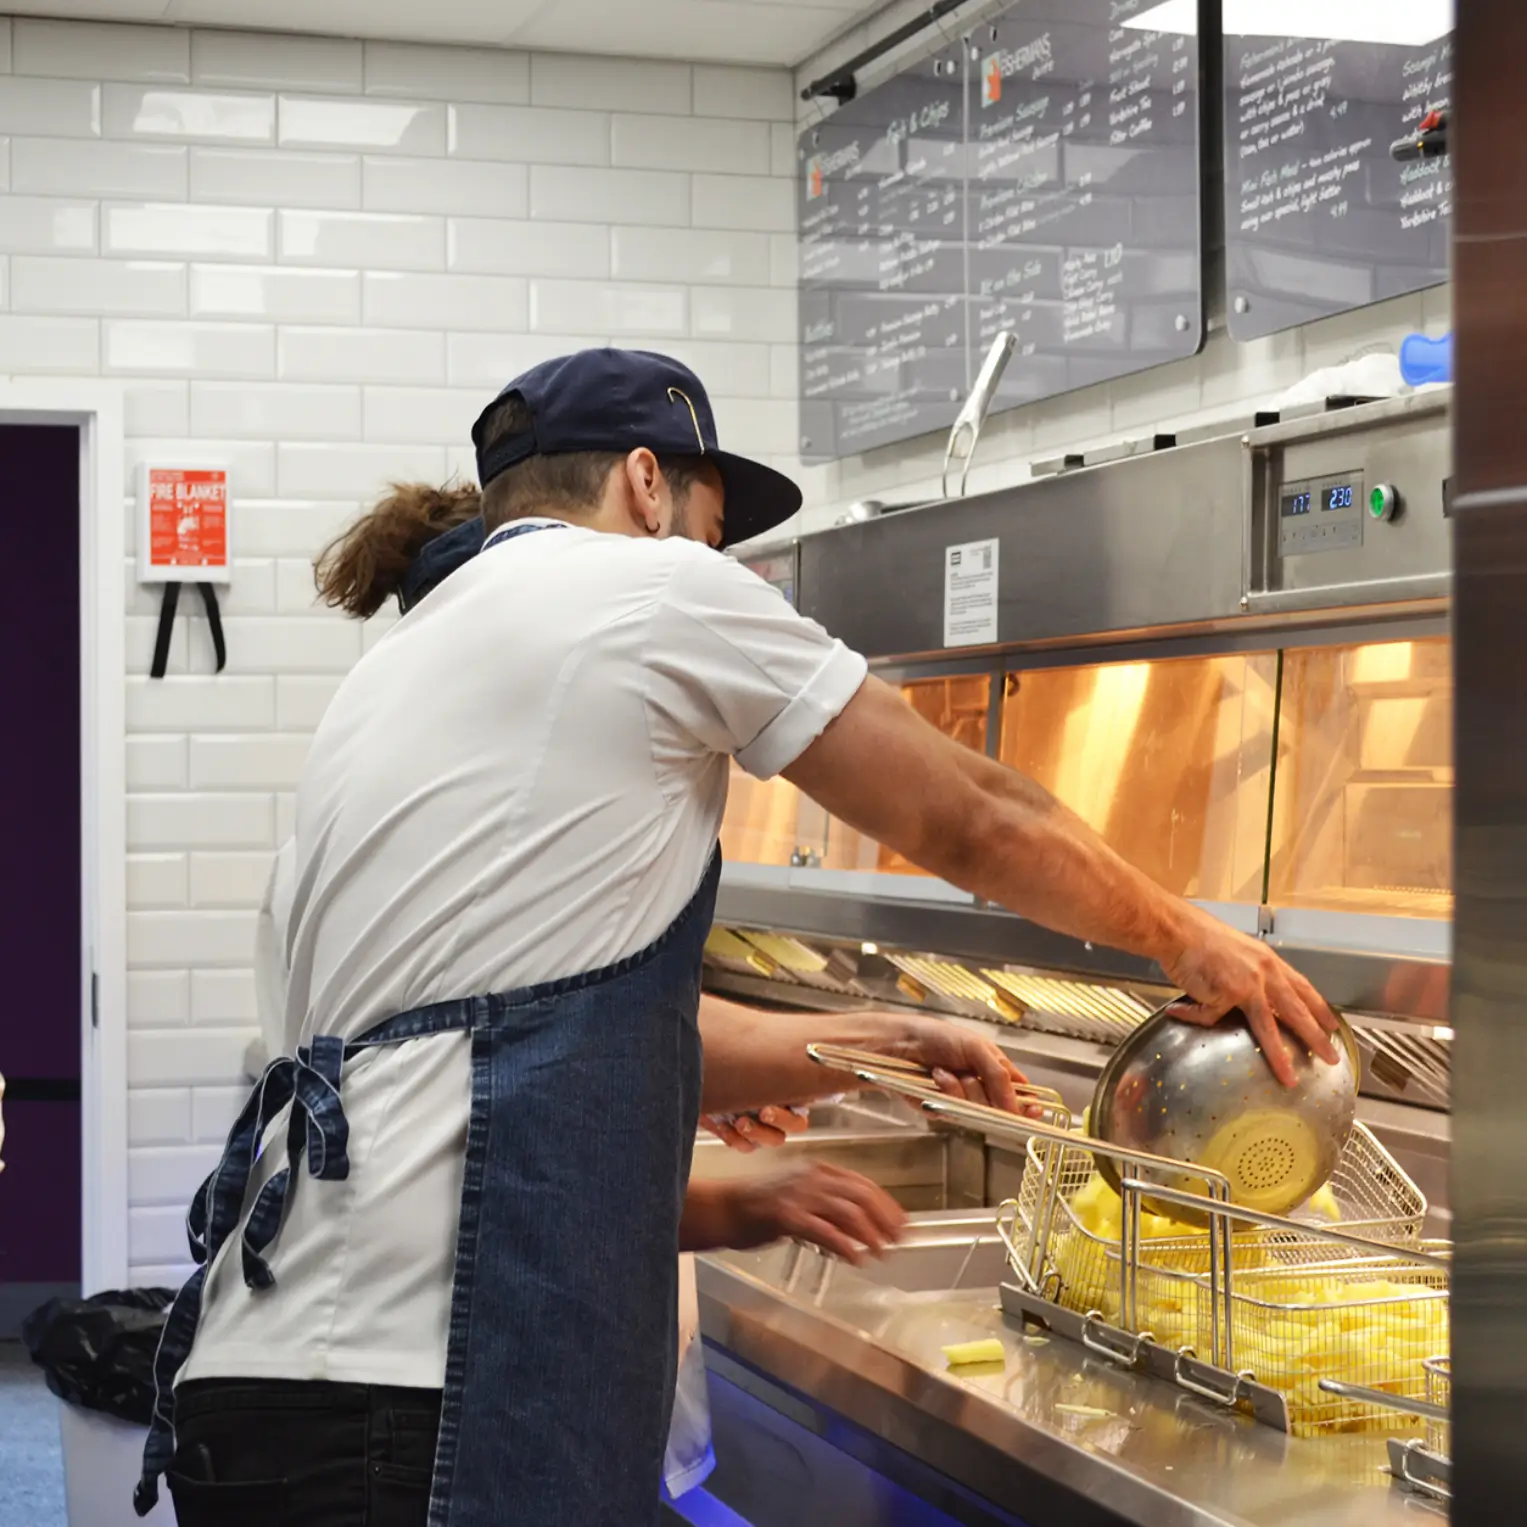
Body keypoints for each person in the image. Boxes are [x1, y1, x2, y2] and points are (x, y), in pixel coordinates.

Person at [137, 347, 1338, 1527]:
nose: (724, 564)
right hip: (443, 1402)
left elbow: (516, 1029)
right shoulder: (650, 588)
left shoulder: (399, 670)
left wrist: (877, 1036)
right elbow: (970, 815)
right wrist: (1191, 941)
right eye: (718, 532)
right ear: (646, 486)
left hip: (260, 1389)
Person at [235, 489, 1029, 1508]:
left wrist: (756, 1154)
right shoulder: (473, 802)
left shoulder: (386, 799)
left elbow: (505, 1086)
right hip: (402, 1385)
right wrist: (1193, 948)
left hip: (305, 1366)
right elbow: (472, 1130)